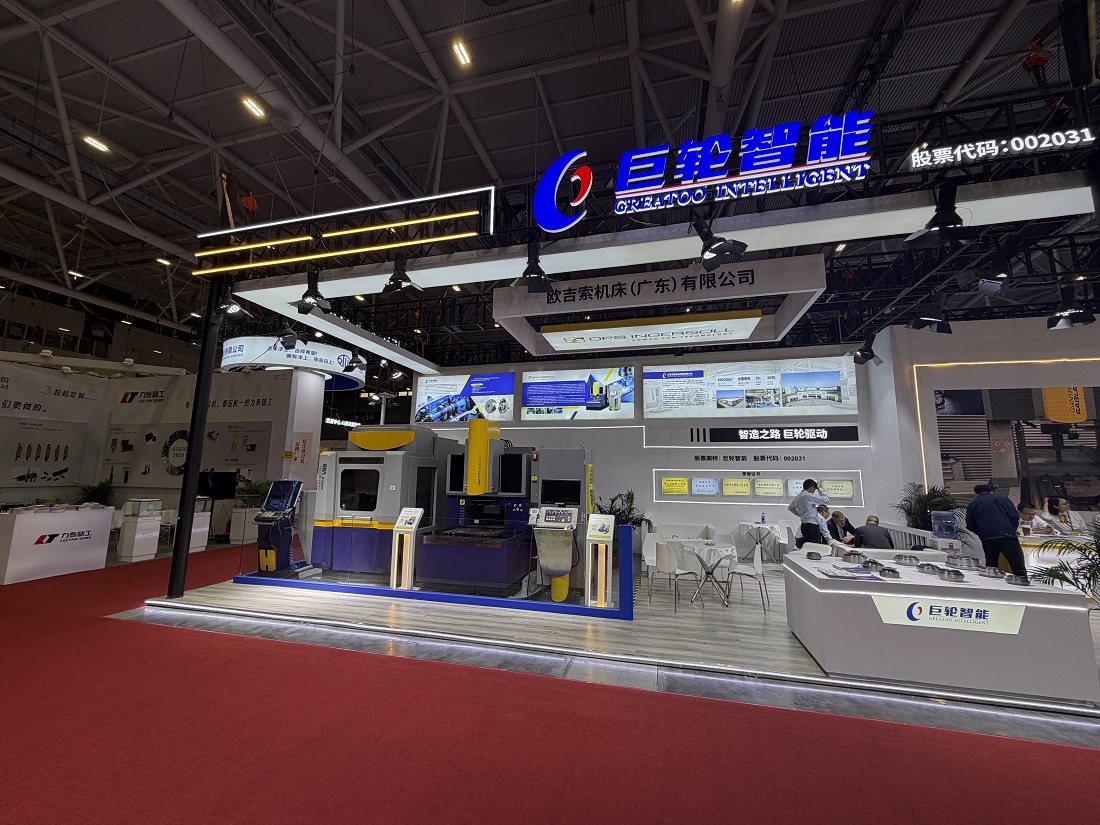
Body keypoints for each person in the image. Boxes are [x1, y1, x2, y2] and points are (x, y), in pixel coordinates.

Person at [965, 484, 1027, 577]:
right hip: (1007, 536)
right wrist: (1011, 529)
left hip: (988, 539)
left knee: (991, 567)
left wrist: (982, 533)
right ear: (990, 491)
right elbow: (1014, 516)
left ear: (976, 493)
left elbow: (970, 524)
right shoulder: (1002, 499)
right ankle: (1023, 582)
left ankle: (993, 584)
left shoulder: (973, 504)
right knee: (1018, 566)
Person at [787, 478, 830, 547]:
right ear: (811, 488)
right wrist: (820, 489)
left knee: (808, 547)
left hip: (804, 526)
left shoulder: (798, 497)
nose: (814, 492)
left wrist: (801, 515)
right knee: (815, 547)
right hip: (812, 526)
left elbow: (790, 508)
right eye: (815, 490)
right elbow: (826, 500)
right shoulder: (808, 496)